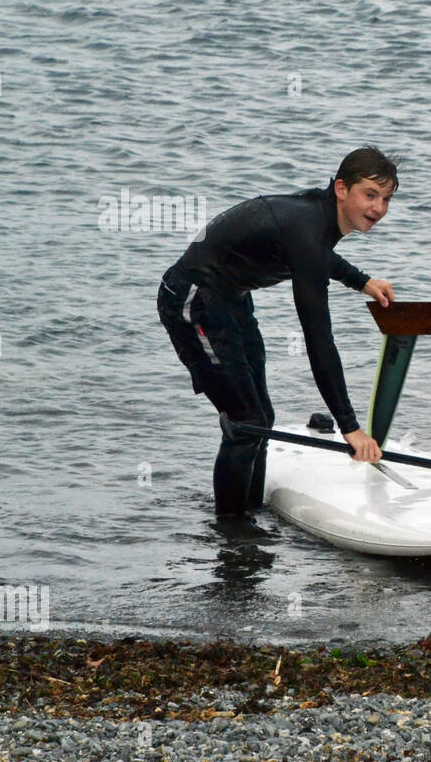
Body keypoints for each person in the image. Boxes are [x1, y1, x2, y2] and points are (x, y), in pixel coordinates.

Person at [157, 147, 397, 520]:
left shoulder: (316, 220)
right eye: (370, 194)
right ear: (341, 189)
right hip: (193, 299)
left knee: (260, 419)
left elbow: (317, 255)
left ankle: (248, 516)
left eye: (386, 198)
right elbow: (319, 340)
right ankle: (232, 534)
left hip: (229, 299)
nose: (379, 208)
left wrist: (361, 281)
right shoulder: (308, 227)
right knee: (246, 420)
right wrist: (350, 427)